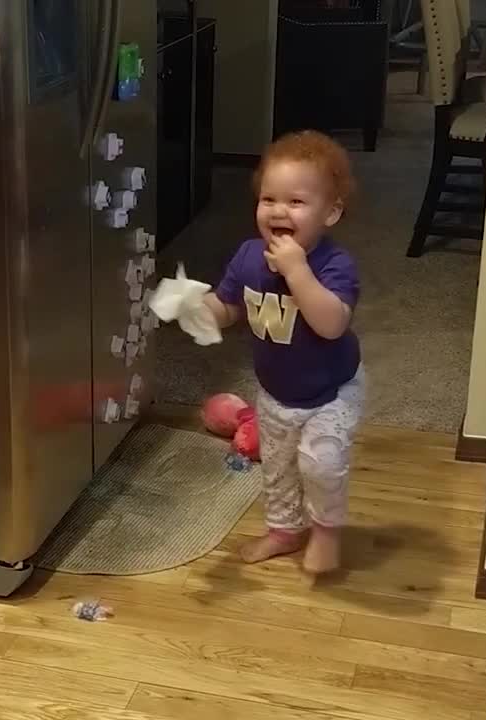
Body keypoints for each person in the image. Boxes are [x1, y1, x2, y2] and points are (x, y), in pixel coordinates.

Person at [200, 130, 366, 574]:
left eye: (296, 202)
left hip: (331, 391)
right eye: (268, 199)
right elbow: (228, 308)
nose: (278, 210)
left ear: (330, 212)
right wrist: (197, 309)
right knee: (277, 467)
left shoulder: (333, 265)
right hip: (276, 389)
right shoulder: (248, 256)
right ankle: (285, 531)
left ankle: (326, 532)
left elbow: (332, 324)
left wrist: (297, 272)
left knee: (322, 463)